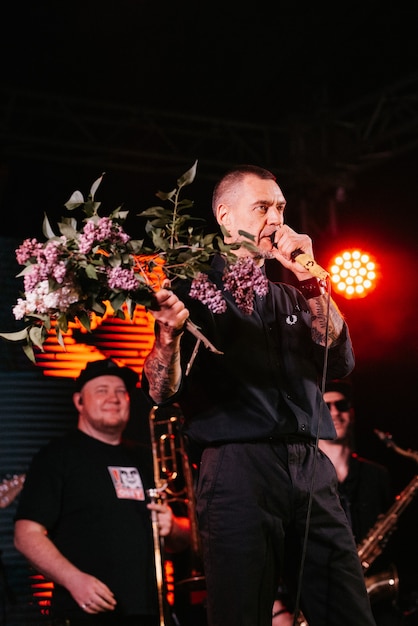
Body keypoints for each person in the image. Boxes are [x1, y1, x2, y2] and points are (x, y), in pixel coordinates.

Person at [142, 164, 376, 626]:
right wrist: (167, 338)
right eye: (263, 207)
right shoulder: (192, 291)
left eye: (282, 207)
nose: (276, 218)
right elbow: (159, 390)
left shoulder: (292, 295)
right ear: (226, 217)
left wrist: (309, 275)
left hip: (309, 467)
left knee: (349, 612)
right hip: (237, 469)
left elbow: (341, 361)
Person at [14, 358, 190, 626]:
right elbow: (26, 534)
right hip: (86, 613)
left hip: (151, 612)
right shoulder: (57, 456)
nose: (114, 398)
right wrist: (74, 580)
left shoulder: (148, 457)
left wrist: (174, 527)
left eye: (121, 391)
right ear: (79, 402)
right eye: (101, 390)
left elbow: (185, 538)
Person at [272, 379, 398, 626]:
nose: (335, 413)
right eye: (326, 406)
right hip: (313, 603)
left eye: (341, 405)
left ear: (352, 412)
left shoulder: (377, 476)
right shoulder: (294, 477)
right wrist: (277, 611)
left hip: (375, 607)